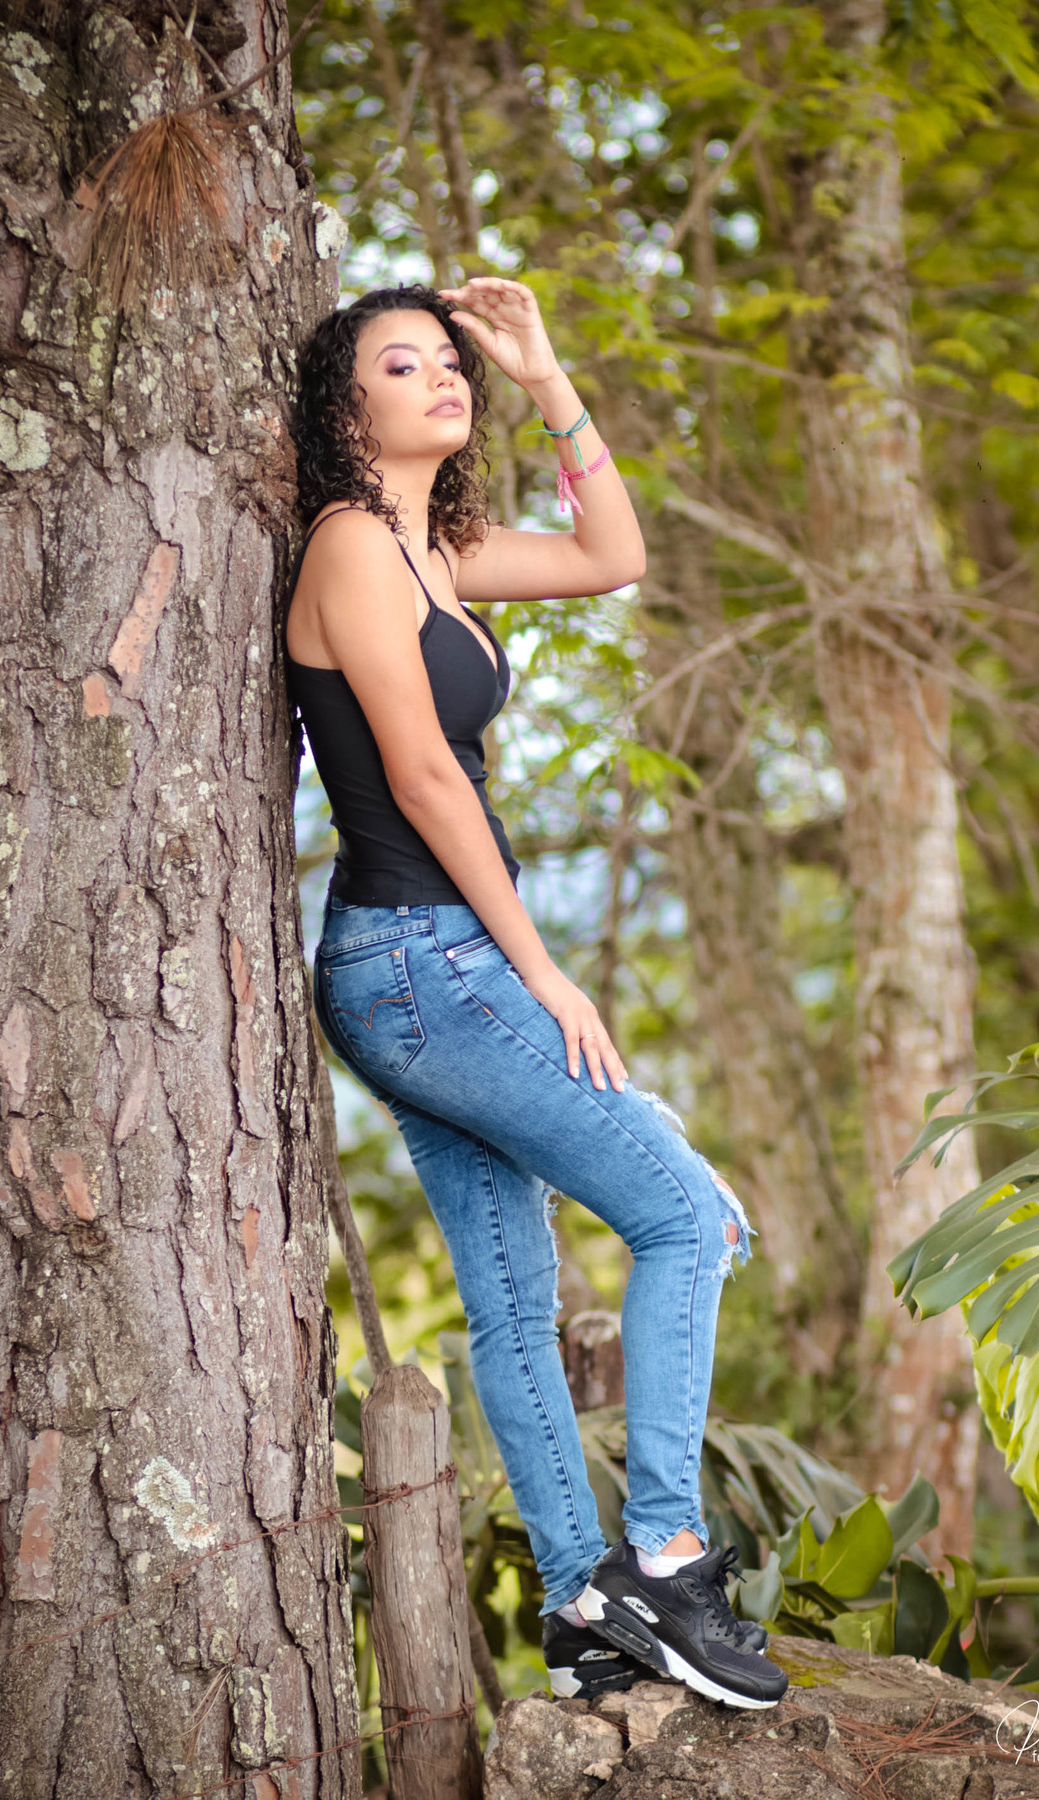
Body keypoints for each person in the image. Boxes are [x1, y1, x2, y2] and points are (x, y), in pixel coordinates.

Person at [284, 277, 788, 1711]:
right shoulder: (348, 545)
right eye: (405, 364)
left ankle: (580, 1605)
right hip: (425, 958)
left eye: (451, 361)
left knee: (513, 1297)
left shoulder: (432, 550)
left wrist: (548, 375)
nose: (445, 377)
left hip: (413, 969)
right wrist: (543, 968)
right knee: (688, 1216)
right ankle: (667, 1558)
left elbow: (613, 554)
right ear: (344, 407)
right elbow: (424, 777)